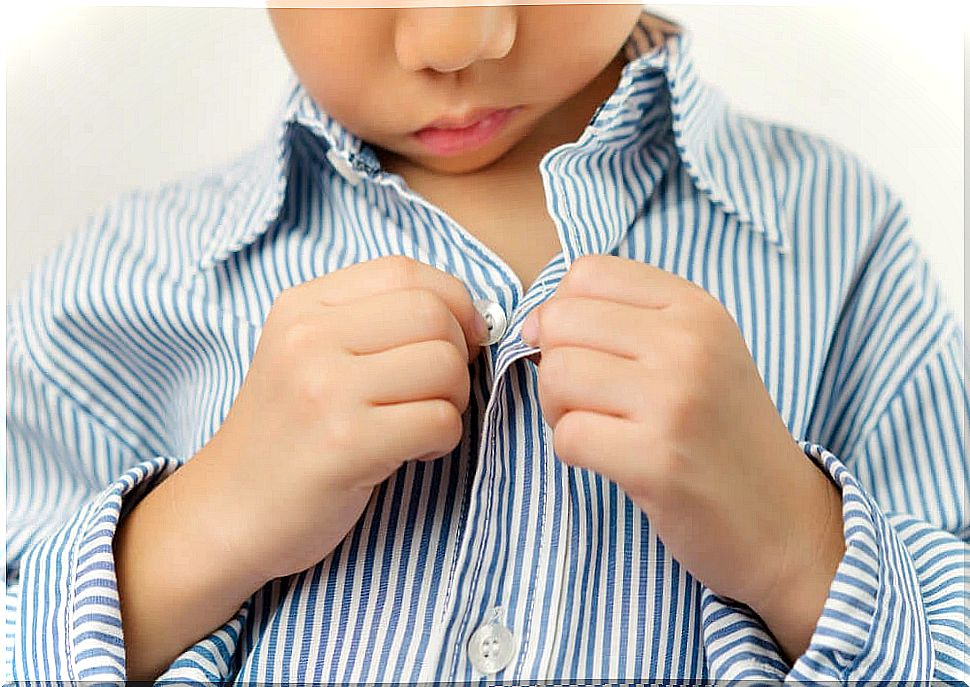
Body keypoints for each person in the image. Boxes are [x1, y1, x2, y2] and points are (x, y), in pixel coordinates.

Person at [5, 4, 967, 683]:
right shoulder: (124, 284)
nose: (461, 33)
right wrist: (191, 534)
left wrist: (800, 545)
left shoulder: (839, 242)